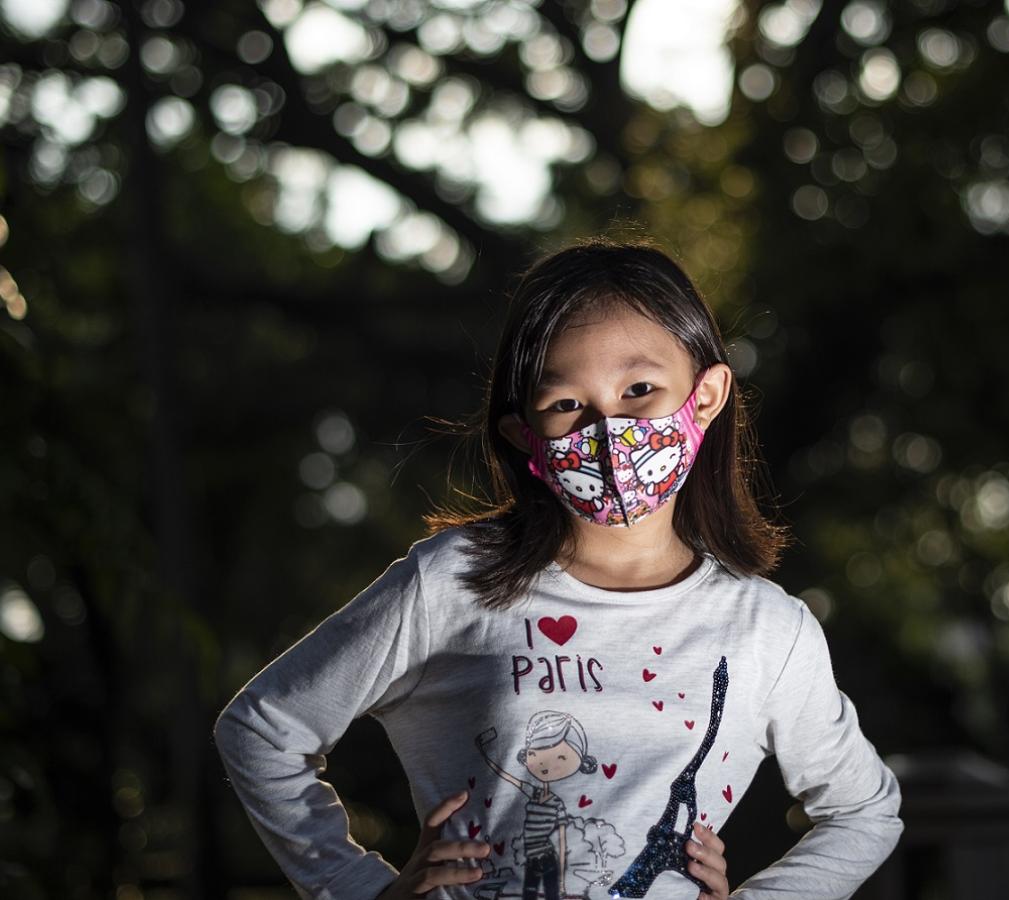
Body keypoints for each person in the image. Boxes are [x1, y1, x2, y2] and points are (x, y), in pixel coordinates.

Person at [212, 236, 904, 900]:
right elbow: (263, 729)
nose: (609, 430)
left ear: (705, 397)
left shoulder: (769, 631)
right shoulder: (454, 582)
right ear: (524, 435)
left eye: (639, 389)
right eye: (567, 404)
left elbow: (865, 812)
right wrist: (363, 891)